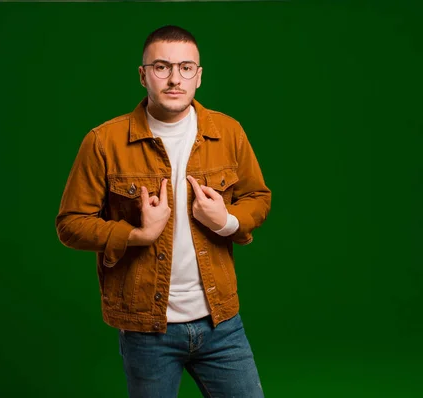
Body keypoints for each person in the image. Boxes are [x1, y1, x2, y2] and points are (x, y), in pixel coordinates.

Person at [55, 25, 271, 398]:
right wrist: (136, 234)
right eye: (161, 67)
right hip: (146, 327)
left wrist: (226, 222)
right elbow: (71, 224)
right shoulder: (104, 141)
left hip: (221, 322)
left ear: (199, 76)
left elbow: (258, 196)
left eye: (186, 68)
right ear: (143, 75)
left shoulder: (228, 132)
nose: (174, 79)